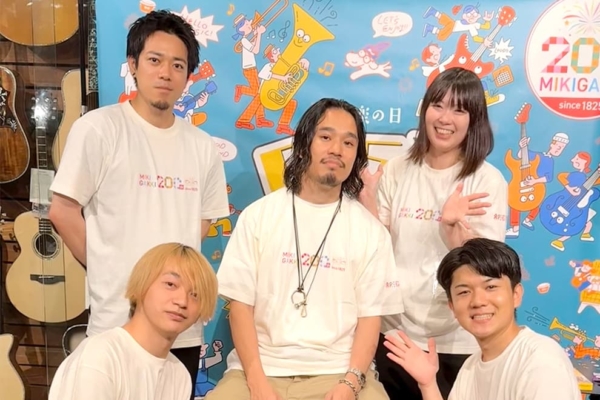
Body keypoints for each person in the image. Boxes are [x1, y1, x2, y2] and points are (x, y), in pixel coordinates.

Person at [48, 10, 230, 400]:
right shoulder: (99, 129)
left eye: (178, 65)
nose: (166, 73)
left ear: (188, 75)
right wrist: (109, 266)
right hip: (116, 320)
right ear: (133, 64)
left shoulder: (202, 148)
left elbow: (199, 225)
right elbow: (62, 212)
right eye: (154, 60)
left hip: (181, 330)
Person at [206, 98, 403, 400]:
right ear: (302, 145)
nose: (337, 149)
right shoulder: (258, 216)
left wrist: (350, 382)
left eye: (348, 143)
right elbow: (240, 306)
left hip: (339, 371)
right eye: (325, 137)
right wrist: (257, 381)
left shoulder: (370, 231)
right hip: (258, 369)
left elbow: (370, 318)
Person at [359, 67, 508, 399]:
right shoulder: (398, 169)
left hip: (457, 339)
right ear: (425, 109)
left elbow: (486, 272)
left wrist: (452, 229)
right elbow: (381, 246)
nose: (444, 118)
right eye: (437, 105)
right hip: (395, 332)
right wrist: (368, 202)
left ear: (474, 119)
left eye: (459, 110)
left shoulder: (487, 180)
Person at [382, 238, 581, 400]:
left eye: (490, 287)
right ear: (452, 306)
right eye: (464, 292)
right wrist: (428, 384)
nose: (478, 301)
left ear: (516, 295)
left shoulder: (540, 359)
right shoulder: (470, 368)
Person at [48, 243, 219, 400]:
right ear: (142, 284)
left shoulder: (179, 375)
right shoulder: (100, 357)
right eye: (170, 284)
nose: (182, 301)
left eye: (195, 294)